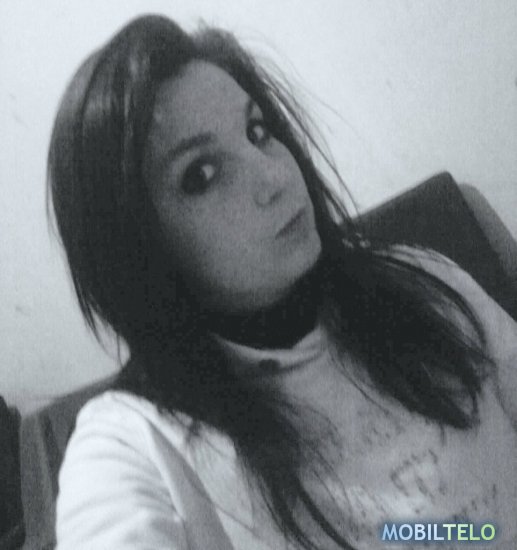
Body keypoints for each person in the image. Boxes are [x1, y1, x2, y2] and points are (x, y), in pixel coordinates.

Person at [48, 14, 517, 550]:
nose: (275, 176)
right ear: (136, 245)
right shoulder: (134, 445)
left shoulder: (427, 284)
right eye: (201, 174)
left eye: (258, 132)